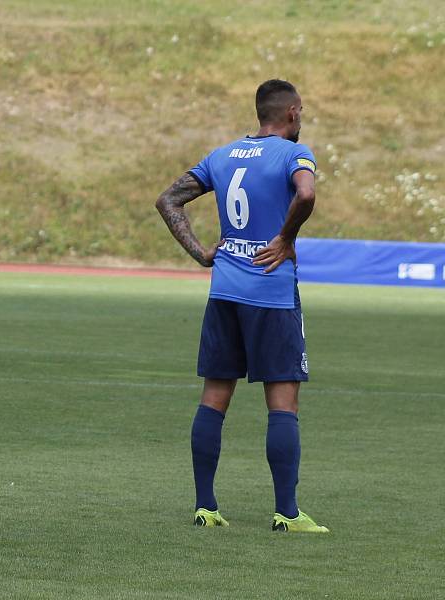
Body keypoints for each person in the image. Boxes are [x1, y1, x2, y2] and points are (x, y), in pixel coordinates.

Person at [155, 79, 328, 533]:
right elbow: (306, 194)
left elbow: (168, 199)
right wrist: (286, 238)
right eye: (301, 112)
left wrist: (200, 252)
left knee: (214, 397)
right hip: (270, 293)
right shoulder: (295, 153)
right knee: (283, 402)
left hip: (224, 289)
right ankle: (287, 513)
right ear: (292, 112)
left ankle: (206, 507)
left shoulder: (223, 155)